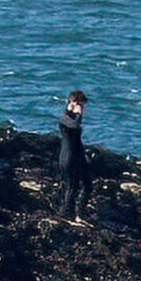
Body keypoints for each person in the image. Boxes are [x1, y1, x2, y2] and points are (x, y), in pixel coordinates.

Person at [58, 89, 92, 220]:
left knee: (87, 185)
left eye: (82, 105)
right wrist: (78, 113)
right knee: (72, 186)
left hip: (78, 156)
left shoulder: (71, 118)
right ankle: (65, 214)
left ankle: (79, 215)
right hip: (68, 158)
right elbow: (75, 126)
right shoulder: (64, 119)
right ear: (70, 103)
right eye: (79, 104)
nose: (81, 107)